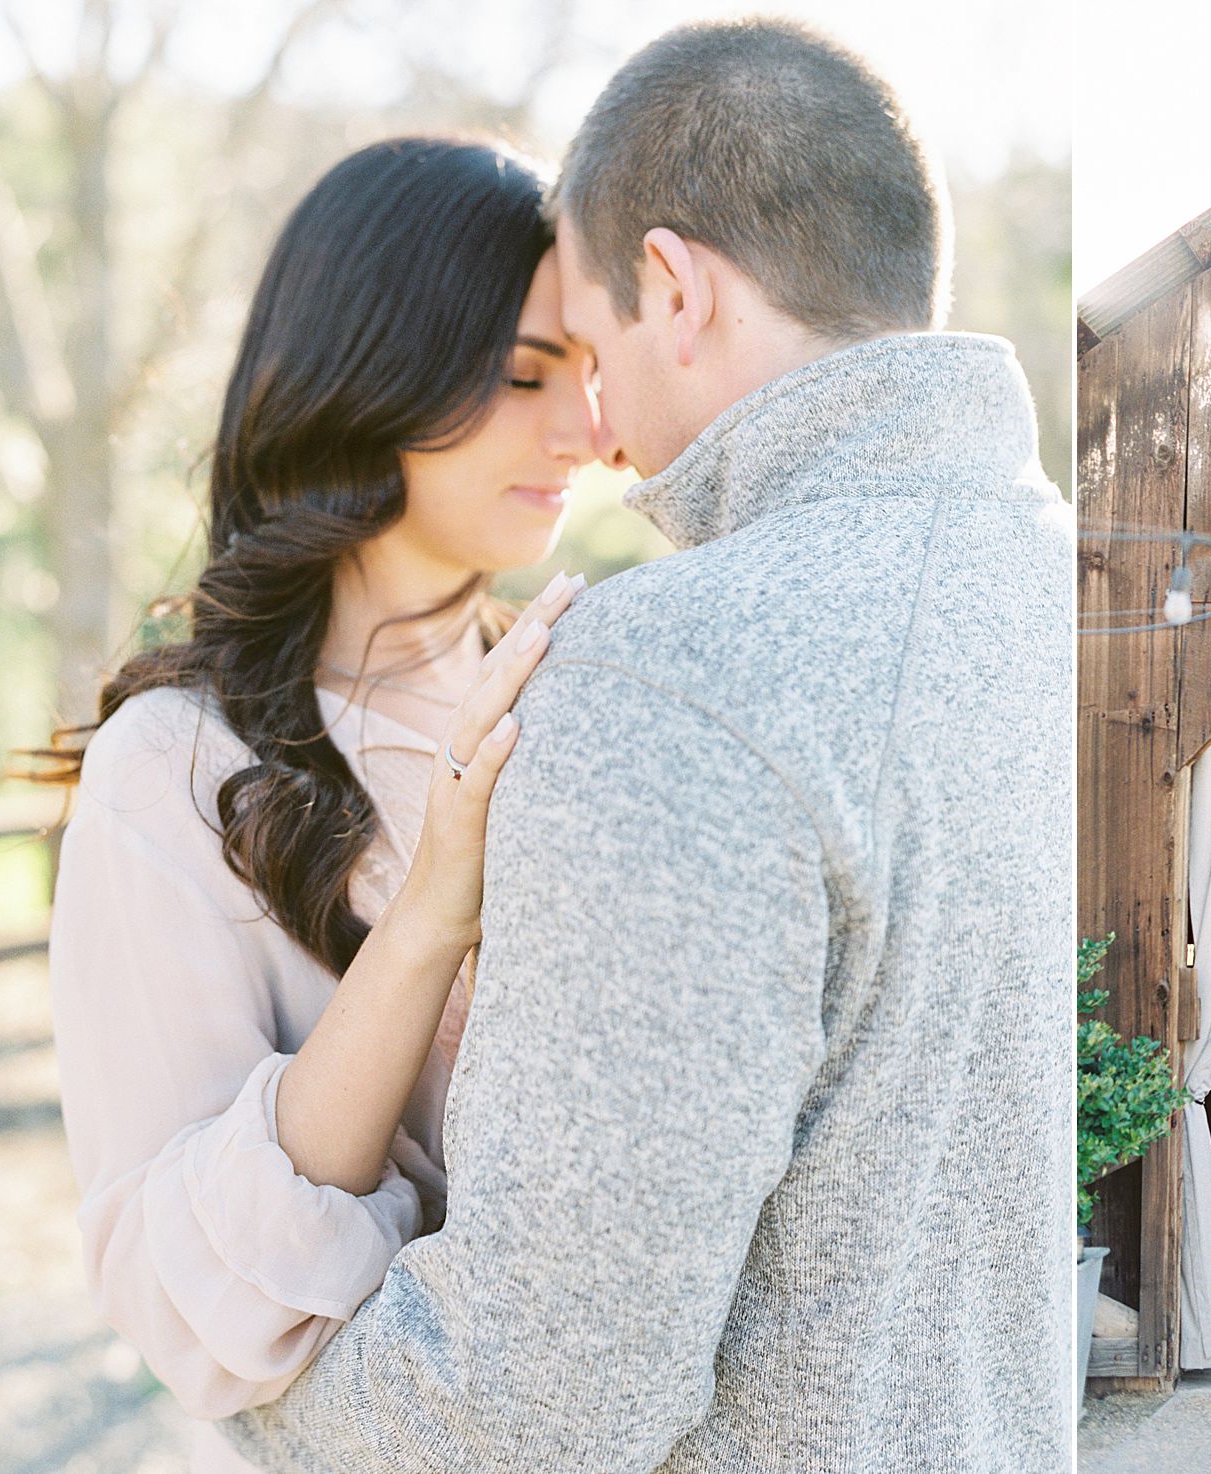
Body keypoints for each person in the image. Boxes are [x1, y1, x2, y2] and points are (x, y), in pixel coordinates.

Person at [223, 19, 1075, 1473]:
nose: (599, 438)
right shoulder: (1066, 585)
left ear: (675, 288)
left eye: (593, 355)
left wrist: (252, 1395)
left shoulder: (668, 673)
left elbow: (536, 1401)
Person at [40, 138, 603, 1474]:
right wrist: (425, 922)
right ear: (373, 370)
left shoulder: (588, 689)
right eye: (525, 374)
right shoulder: (174, 768)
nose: (584, 429)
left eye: (586, 370)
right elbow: (197, 1302)